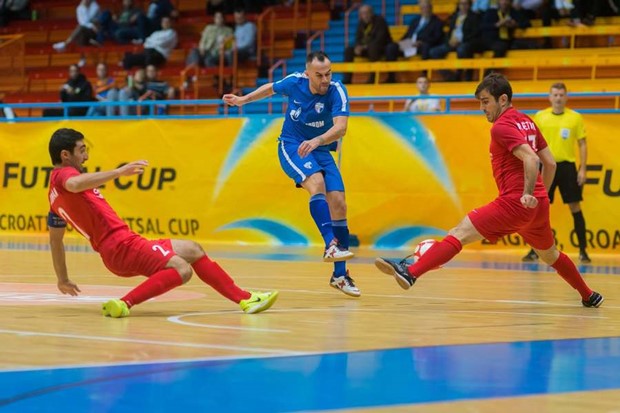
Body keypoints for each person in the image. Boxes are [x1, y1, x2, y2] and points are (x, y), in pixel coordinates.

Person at [375, 73, 603, 308]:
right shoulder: (527, 120)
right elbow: (551, 163)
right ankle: (588, 295)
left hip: (515, 202)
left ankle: (411, 272)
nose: (482, 108)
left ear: (502, 99)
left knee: (459, 232)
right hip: (537, 207)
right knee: (551, 255)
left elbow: (532, 159)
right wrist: (539, 194)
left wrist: (527, 193)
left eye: (485, 102)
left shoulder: (501, 127)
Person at [47, 128, 279, 318]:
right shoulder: (62, 176)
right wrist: (118, 172)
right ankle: (123, 304)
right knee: (181, 269)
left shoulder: (53, 199)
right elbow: (75, 185)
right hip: (119, 246)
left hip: (119, 247)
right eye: (82, 151)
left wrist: (62, 279)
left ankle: (245, 299)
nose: (86, 157)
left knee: (192, 249)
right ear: (66, 155)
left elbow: (56, 242)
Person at [222, 51, 359, 297]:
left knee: (339, 203)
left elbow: (341, 128)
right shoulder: (295, 82)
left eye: (328, 73)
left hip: (319, 147)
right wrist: (243, 100)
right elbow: (271, 88)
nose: (325, 79)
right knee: (316, 183)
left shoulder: (337, 90)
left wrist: (318, 141)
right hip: (292, 146)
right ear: (308, 74)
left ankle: (340, 275)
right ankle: (330, 244)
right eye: (319, 75)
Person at [523, 83, 591, 263]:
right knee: (537, 208)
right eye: (555, 94)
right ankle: (533, 250)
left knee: (575, 207)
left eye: (561, 94)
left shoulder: (575, 117)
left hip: (567, 167)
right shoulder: (541, 116)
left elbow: (582, 143)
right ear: (550, 97)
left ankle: (583, 251)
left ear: (566, 97)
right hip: (545, 166)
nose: (558, 98)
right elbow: (532, 144)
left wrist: (582, 168)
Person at [342, 4, 392, 84]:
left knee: (373, 47)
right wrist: (357, 47)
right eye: (362, 14)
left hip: (381, 49)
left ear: (371, 13)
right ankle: (347, 79)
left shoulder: (380, 21)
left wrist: (365, 47)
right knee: (349, 50)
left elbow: (380, 39)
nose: (365, 16)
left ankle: (373, 78)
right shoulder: (361, 23)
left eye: (366, 13)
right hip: (366, 49)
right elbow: (358, 38)